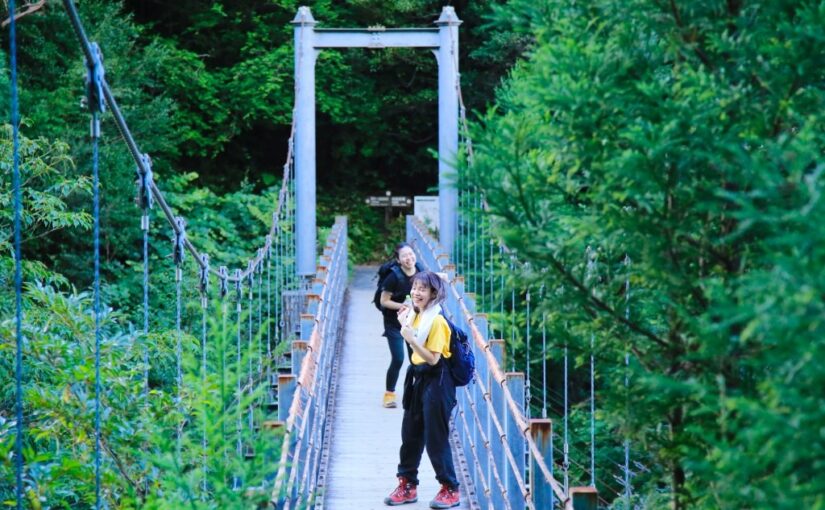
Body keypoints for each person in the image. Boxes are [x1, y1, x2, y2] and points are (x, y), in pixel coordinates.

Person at [384, 271, 460, 509]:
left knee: (435, 437)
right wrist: (404, 325)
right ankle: (407, 484)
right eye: (414, 288)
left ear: (433, 294)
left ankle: (450, 489)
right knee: (410, 433)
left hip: (438, 380)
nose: (416, 293)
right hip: (417, 377)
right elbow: (415, 347)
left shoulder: (437, 321)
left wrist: (410, 337)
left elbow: (434, 359)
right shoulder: (418, 314)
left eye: (422, 289)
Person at [379, 243, 420, 408]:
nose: (409, 258)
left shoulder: (420, 270)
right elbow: (384, 301)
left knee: (416, 359)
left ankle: (416, 393)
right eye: (404, 256)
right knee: (398, 358)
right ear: (398, 260)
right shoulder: (393, 277)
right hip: (394, 323)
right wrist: (403, 306)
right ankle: (389, 394)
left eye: (411, 254)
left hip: (413, 322)